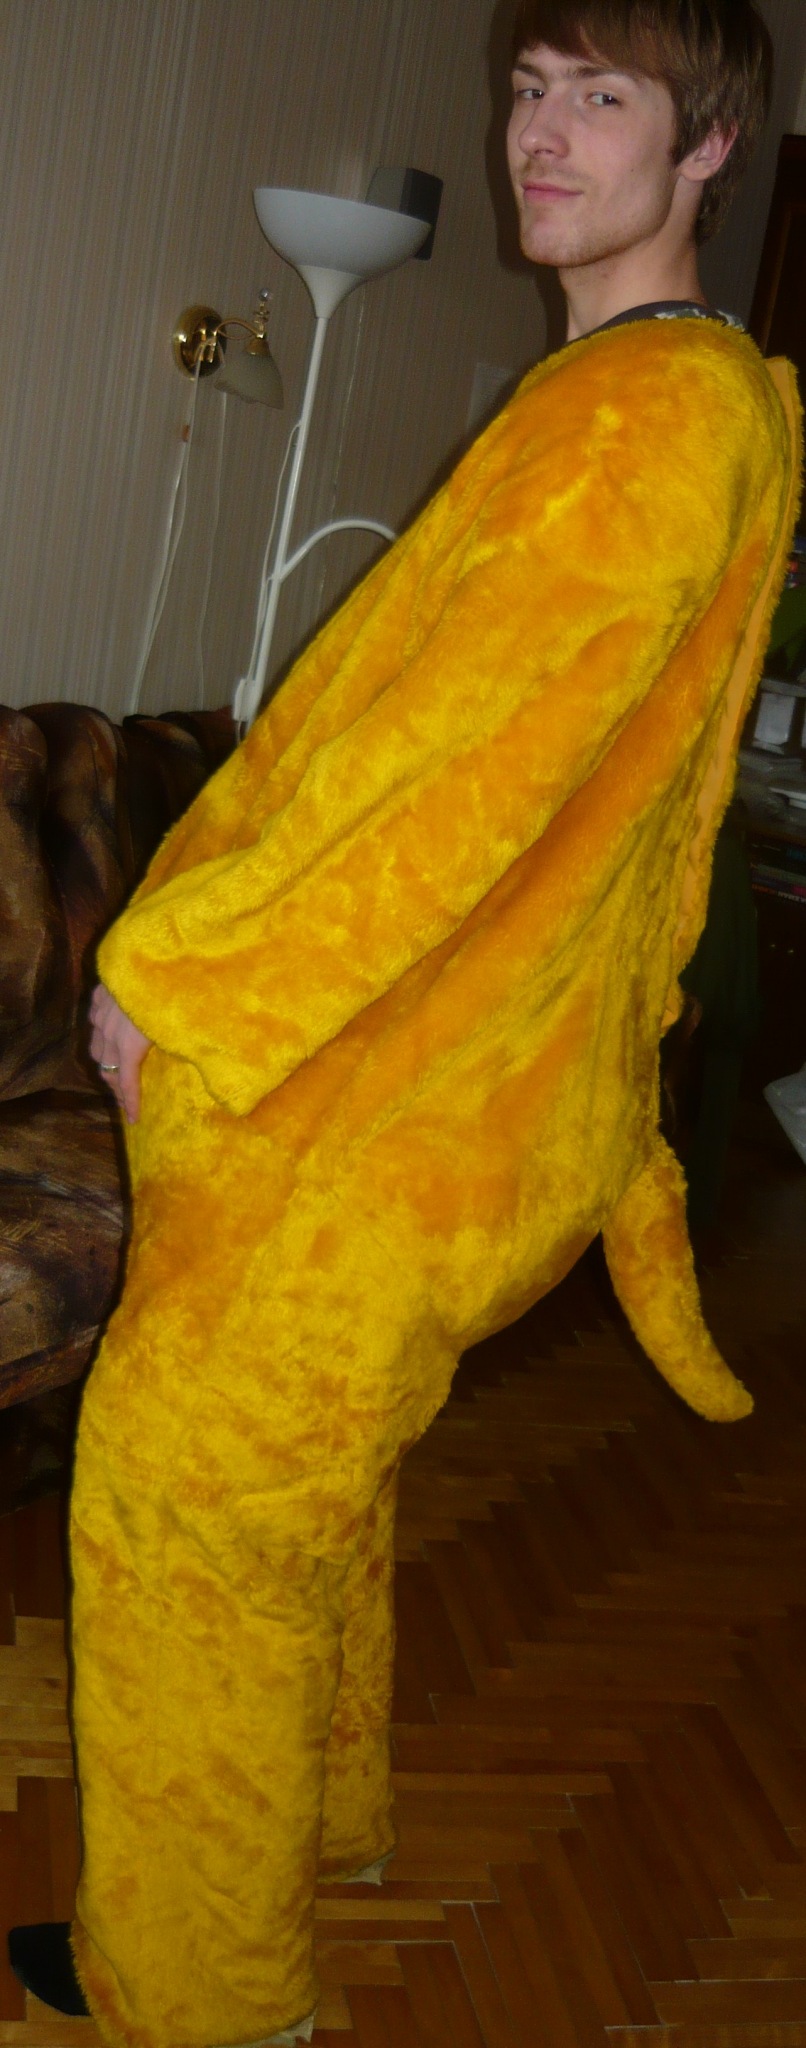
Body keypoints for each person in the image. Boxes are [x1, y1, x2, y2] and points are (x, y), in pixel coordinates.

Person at [9, 2, 800, 2043]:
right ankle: (330, 1825)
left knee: (183, 1513)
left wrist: (175, 978)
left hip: (365, 1102)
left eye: (604, 97)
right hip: (462, 1097)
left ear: (708, 146)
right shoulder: (687, 393)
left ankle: (198, 1992)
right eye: (530, 88)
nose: (544, 133)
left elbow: (447, 789)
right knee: (309, 1496)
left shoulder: (637, 429)